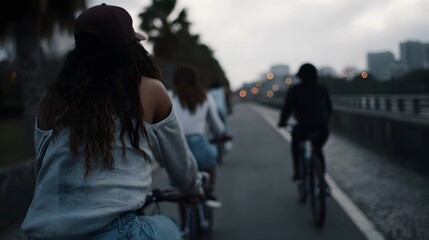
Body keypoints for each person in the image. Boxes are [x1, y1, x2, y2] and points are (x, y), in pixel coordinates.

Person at [21, 4, 201, 239]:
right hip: (116, 232)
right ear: (131, 49)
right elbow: (179, 164)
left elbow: (44, 167)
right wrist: (192, 188)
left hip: (44, 232)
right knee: (170, 227)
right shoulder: (149, 90)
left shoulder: (51, 100)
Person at [170, 65, 228, 207]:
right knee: (210, 163)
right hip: (200, 146)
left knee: (183, 192)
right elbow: (217, 125)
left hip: (177, 149)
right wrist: (221, 134)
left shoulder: (167, 96)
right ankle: (210, 192)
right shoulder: (205, 97)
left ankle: (184, 224)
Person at [277, 63, 332, 182]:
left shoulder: (295, 90)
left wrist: (282, 122)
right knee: (317, 149)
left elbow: (286, 109)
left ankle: (298, 173)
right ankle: (322, 180)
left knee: (296, 144)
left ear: (300, 76)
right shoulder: (323, 89)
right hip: (322, 128)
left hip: (303, 127)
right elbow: (329, 110)